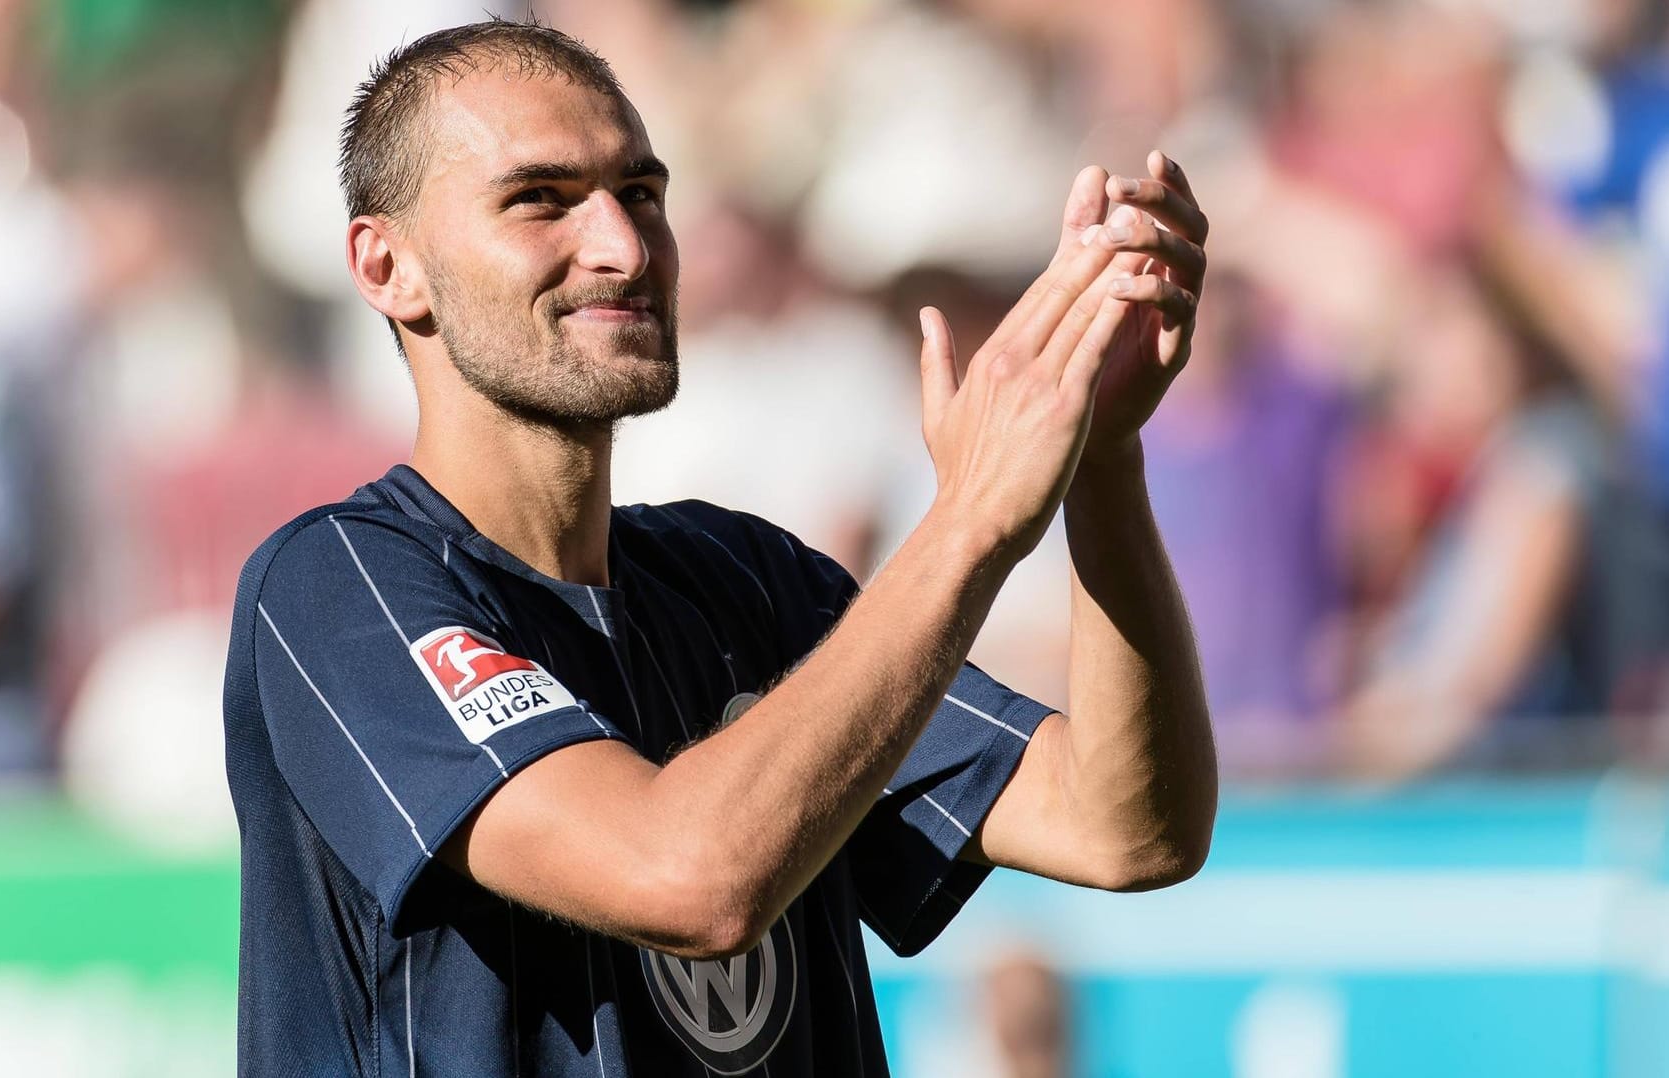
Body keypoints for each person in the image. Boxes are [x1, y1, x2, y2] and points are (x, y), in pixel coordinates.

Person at [222, 17, 1215, 1077]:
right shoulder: (339, 587)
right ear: (388, 266)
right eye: (540, 199)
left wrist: (1099, 457)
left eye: (641, 193)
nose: (622, 244)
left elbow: (1123, 825)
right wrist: (969, 518)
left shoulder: (747, 580)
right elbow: (688, 880)